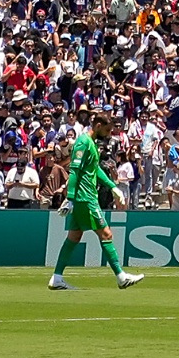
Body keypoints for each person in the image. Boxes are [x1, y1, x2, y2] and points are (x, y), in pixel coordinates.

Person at [46, 115, 139, 292]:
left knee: (74, 236)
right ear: (97, 125)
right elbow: (74, 170)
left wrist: (113, 187)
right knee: (106, 234)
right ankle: (120, 276)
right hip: (85, 198)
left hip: (85, 196)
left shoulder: (91, 143)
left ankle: (57, 277)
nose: (109, 133)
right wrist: (71, 198)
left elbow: (94, 168)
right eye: (107, 129)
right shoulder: (83, 142)